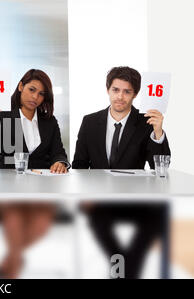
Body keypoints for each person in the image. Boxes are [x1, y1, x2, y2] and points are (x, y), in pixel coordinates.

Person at [72, 66, 170, 278]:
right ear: (108, 90)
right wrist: (85, 194)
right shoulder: (90, 122)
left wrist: (158, 132)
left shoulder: (146, 124)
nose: (120, 96)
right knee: (98, 220)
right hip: (100, 200)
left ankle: (124, 270)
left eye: (127, 91)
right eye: (116, 90)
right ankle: (125, 269)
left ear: (135, 94)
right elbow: (79, 164)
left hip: (134, 199)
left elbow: (159, 166)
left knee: (159, 213)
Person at [0, 69, 70, 278]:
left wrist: (59, 162)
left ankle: (11, 260)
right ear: (20, 87)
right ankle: (13, 267)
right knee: (15, 219)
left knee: (41, 223)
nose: (35, 97)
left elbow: (59, 152)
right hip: (8, 189)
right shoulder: (2, 117)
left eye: (41, 94)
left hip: (41, 190)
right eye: (31, 90)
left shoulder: (49, 122)